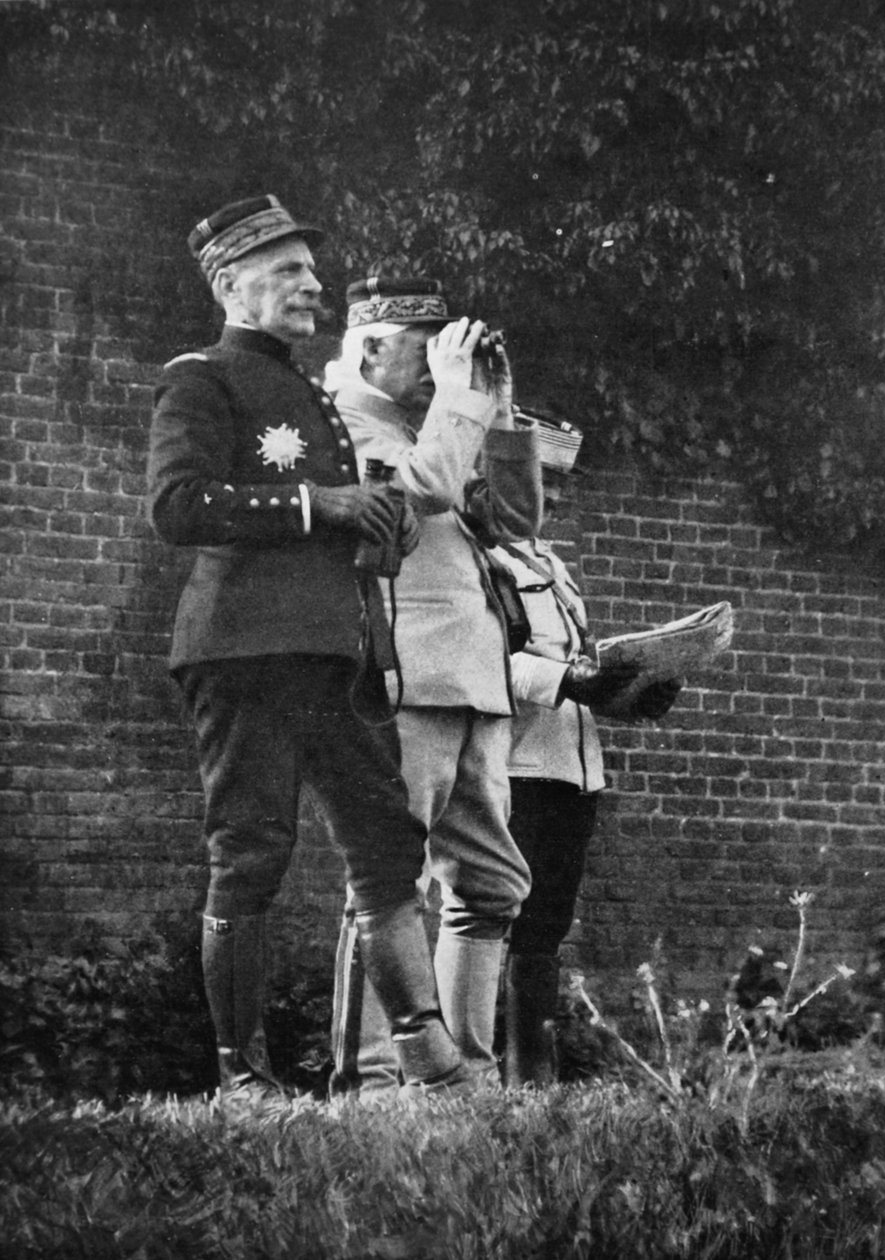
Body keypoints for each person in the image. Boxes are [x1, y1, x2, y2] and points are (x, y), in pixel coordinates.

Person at [146, 196, 471, 1101]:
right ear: (230, 284)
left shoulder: (315, 398)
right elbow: (177, 506)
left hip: (332, 653)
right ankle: (242, 1077)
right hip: (244, 650)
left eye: (312, 270)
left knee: (386, 840)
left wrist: (374, 525)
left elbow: (330, 525)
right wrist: (319, 504)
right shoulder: (200, 379)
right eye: (288, 270)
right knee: (251, 848)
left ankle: (430, 1064)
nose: (312, 285)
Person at [324, 275, 550, 1100]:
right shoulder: (338, 421)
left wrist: (503, 412)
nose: (442, 368)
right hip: (401, 682)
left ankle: (466, 1082)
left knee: (490, 884)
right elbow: (419, 497)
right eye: (426, 351)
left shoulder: (439, 422)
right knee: (388, 881)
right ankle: (373, 1081)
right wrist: (459, 404)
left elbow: (517, 522)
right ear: (370, 350)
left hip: (475, 683)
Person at [492, 410, 683, 1085]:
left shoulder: (551, 564)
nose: (552, 496)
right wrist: (573, 681)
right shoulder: (481, 559)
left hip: (571, 771)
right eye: (540, 478)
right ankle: (485, 1072)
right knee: (498, 919)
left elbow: (578, 673)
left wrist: (632, 695)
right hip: (513, 767)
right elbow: (482, 661)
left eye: (561, 484)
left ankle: (531, 1077)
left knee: (546, 925)